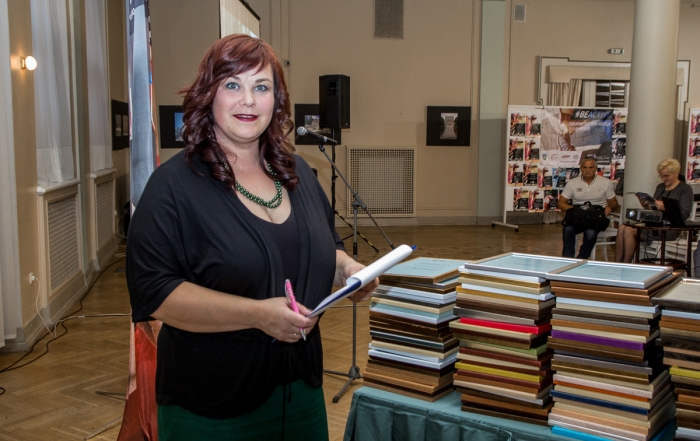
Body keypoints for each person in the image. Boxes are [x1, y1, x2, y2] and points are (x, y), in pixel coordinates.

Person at [126, 34, 378, 440]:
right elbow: (155, 294)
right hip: (210, 407)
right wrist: (258, 315)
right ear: (209, 95)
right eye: (232, 85)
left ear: (276, 101)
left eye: (261, 87)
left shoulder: (299, 174)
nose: (248, 100)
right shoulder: (173, 186)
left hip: (301, 396)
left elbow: (322, 250)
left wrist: (349, 270)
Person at [616, 158, 694, 263]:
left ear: (676, 174)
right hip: (654, 225)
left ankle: (625, 265)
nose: (663, 179)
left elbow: (684, 214)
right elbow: (654, 210)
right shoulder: (660, 187)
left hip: (670, 228)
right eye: (661, 176)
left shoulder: (685, 189)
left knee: (628, 230)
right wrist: (646, 205)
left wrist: (665, 207)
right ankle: (618, 264)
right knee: (622, 227)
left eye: (666, 176)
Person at [558, 157, 618, 258]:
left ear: (596, 168)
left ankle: (581, 259)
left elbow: (614, 203)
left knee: (590, 233)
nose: (588, 170)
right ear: (581, 168)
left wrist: (609, 207)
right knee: (567, 230)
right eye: (585, 167)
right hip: (578, 217)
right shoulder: (572, 183)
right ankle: (568, 260)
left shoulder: (606, 182)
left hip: (596, 217)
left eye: (591, 167)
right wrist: (574, 210)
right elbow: (561, 203)